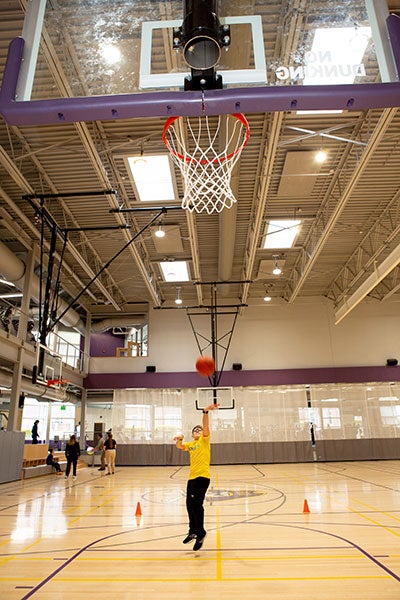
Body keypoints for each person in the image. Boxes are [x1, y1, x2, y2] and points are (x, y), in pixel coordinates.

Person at [173, 403, 219, 551]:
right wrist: (179, 439)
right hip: (192, 478)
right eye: (195, 430)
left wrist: (205, 412)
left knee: (197, 504)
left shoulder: (204, 440)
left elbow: (205, 427)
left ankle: (201, 532)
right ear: (192, 435)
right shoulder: (191, 444)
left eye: (199, 429)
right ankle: (192, 530)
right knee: (189, 505)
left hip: (202, 477)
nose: (198, 430)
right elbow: (180, 447)